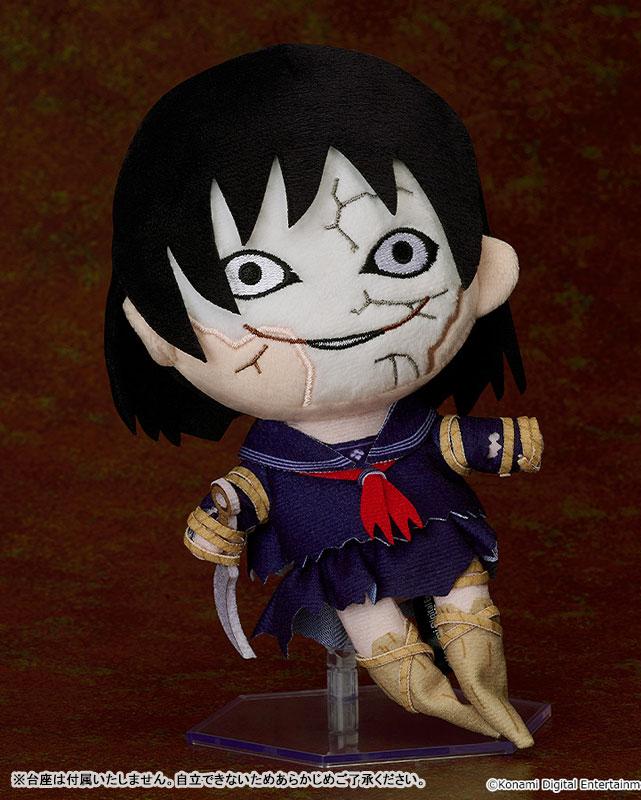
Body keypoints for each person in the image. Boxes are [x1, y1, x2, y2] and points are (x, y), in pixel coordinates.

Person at [105, 44, 543, 748]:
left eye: (401, 253)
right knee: (386, 644)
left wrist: (502, 444)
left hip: (434, 530)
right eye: (253, 274)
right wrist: (221, 519)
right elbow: (246, 496)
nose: (339, 308)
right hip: (339, 561)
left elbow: (445, 442)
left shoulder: (410, 427)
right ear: (156, 329)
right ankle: (455, 709)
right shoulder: (274, 459)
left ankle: (490, 703)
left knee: (468, 611)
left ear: (484, 271)